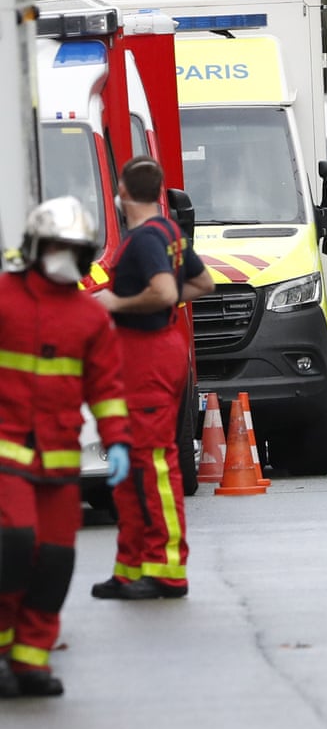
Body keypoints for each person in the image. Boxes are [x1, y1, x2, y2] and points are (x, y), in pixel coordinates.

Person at [0, 197, 132, 697]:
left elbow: (107, 389)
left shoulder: (89, 317)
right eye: (56, 246)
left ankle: (31, 660)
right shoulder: (4, 298)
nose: (62, 256)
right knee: (13, 546)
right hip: (6, 453)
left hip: (58, 461)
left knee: (55, 561)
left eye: (71, 249)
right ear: (35, 247)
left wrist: (118, 443)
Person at [91, 157, 214, 602]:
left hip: (146, 357)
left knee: (152, 463)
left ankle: (166, 569)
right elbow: (202, 284)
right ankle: (131, 567)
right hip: (157, 350)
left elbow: (163, 291)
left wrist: (116, 304)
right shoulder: (169, 232)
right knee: (130, 464)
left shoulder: (144, 239)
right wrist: (165, 302)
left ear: (122, 192)